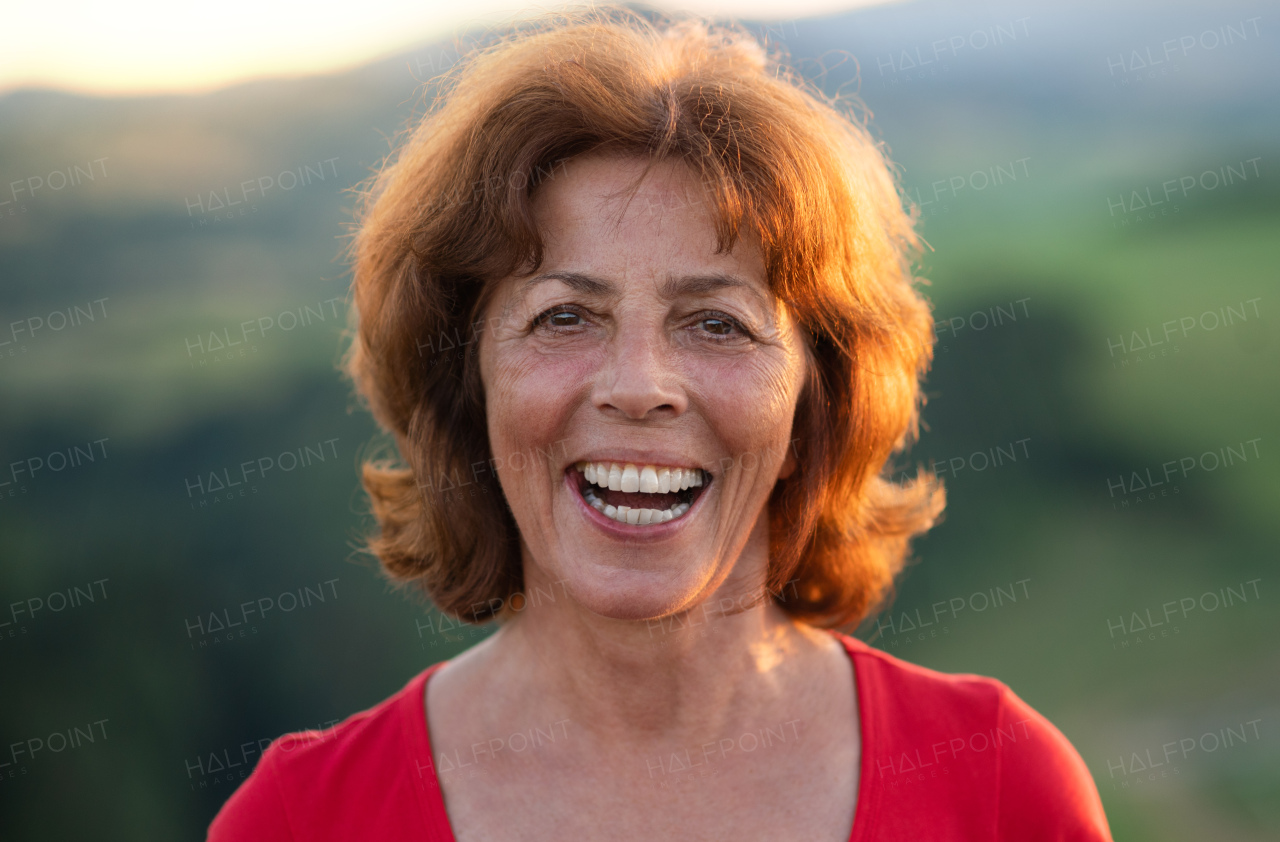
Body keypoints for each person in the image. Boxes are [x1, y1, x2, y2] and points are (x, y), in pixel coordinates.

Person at [209, 8, 1112, 840]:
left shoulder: (1000, 787)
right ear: (468, 385)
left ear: (814, 401)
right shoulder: (300, 819)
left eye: (717, 323)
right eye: (564, 317)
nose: (639, 388)